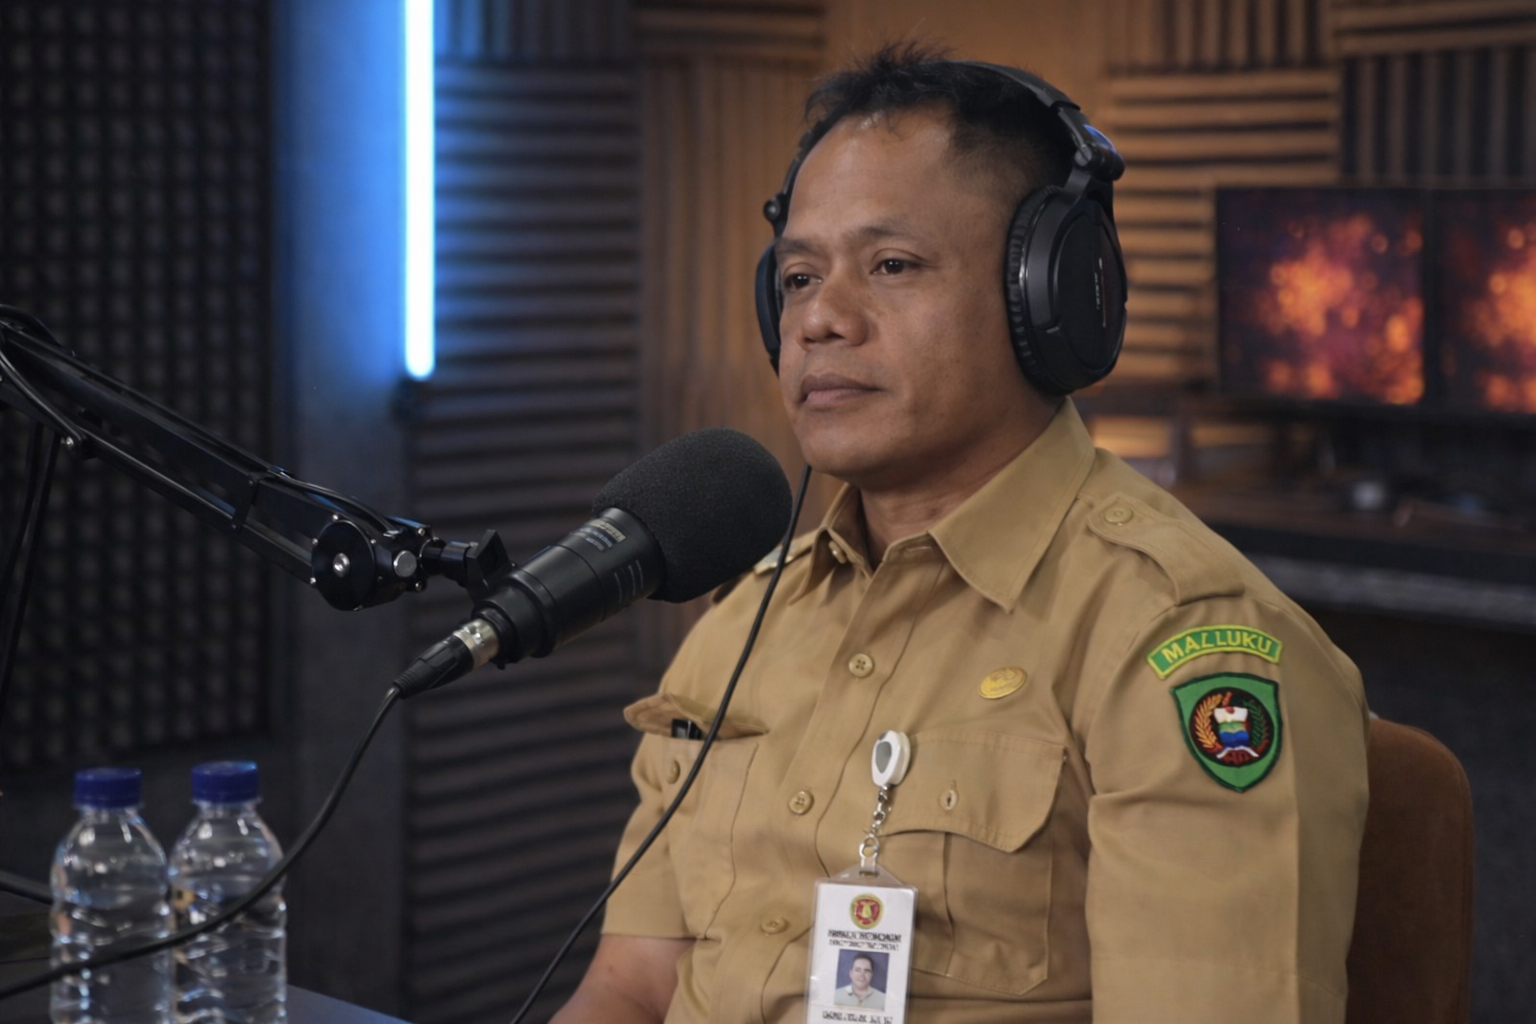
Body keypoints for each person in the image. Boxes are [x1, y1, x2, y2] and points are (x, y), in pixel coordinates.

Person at [552, 43, 1369, 1024]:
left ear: (1046, 295)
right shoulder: (743, 623)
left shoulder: (1175, 638)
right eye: (799, 277)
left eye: (892, 265)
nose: (819, 320)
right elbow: (633, 985)